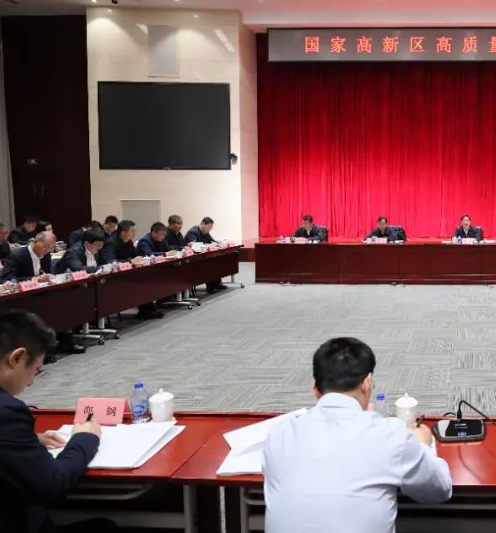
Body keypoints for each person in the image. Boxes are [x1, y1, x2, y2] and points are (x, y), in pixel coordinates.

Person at [0, 310, 108, 533]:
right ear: (17, 358)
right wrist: (85, 437)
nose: (30, 383)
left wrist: (29, 440)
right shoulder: (0, 410)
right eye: (36, 370)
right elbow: (54, 484)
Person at [263, 337, 452, 533]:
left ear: (315, 389)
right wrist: (421, 445)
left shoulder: (278, 434)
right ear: (367, 382)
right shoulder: (391, 435)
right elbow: (440, 489)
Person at [185, 217, 225, 292]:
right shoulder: (193, 232)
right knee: (209, 262)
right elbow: (194, 246)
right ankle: (211, 286)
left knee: (217, 259)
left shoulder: (205, 232)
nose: (210, 229)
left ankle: (217, 283)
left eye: (211, 227)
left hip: (203, 256)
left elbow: (212, 241)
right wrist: (208, 245)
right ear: (203, 223)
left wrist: (219, 243)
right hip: (192, 259)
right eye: (209, 227)